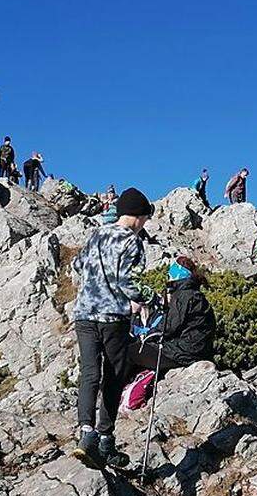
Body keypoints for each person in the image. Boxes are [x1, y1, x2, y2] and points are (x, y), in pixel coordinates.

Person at [70, 187, 154, 470]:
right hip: (112, 319)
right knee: (114, 376)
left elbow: (78, 264)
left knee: (89, 373)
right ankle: (105, 438)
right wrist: (150, 297)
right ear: (139, 217)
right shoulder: (132, 241)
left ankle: (86, 433)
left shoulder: (96, 234)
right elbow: (127, 282)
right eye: (144, 220)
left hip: (84, 315)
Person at [127, 256, 215, 376]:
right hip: (198, 350)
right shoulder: (196, 296)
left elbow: (169, 327)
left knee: (130, 352)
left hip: (183, 352)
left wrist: (149, 336)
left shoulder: (183, 296)